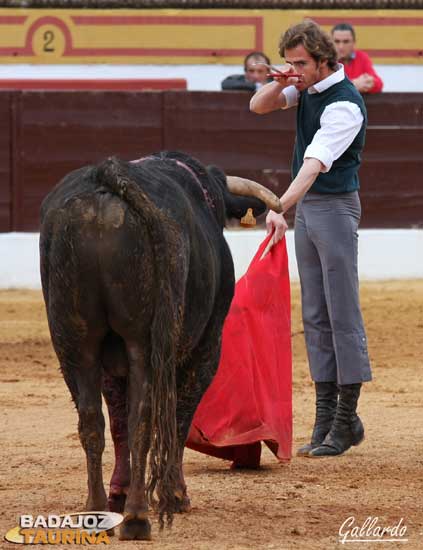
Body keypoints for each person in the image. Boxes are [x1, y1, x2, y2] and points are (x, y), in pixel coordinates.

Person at [250, 20, 372, 458]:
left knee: (342, 312)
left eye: (301, 63)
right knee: (317, 314)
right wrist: (277, 79)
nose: (294, 70)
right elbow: (257, 107)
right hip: (310, 209)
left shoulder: (344, 104)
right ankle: (328, 419)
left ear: (325, 61)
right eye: (290, 62)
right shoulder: (306, 87)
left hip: (335, 209)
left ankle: (344, 418)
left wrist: (280, 206)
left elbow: (312, 164)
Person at [332, 22, 383, 94]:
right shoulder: (326, 60)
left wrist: (370, 83)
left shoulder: (362, 57)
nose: (341, 46)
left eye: (346, 42)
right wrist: (353, 85)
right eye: (337, 41)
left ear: (354, 42)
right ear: (330, 42)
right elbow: (325, 89)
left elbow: (379, 84)